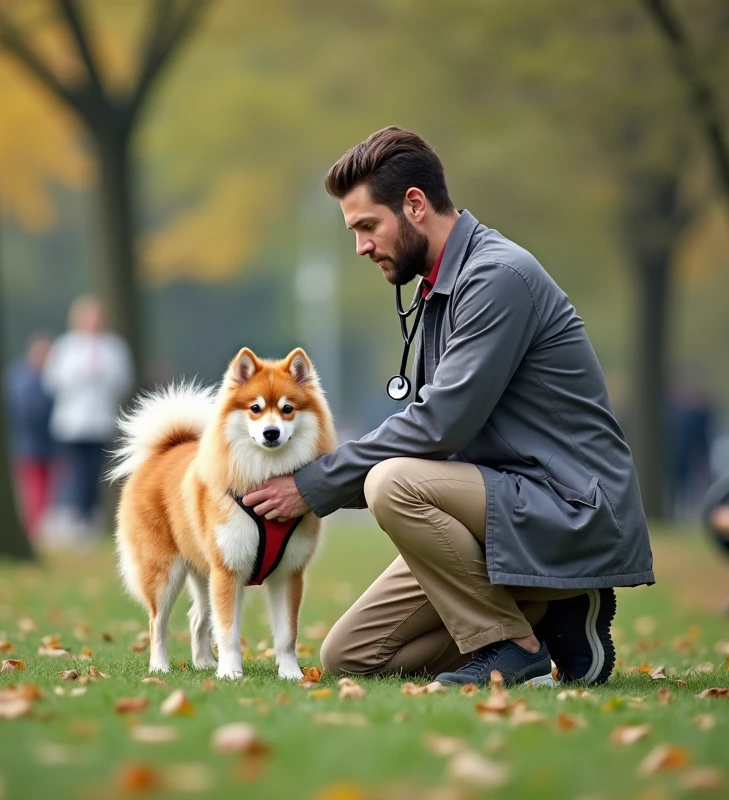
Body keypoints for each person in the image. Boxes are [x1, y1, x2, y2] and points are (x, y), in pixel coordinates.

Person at [243, 127, 654, 687]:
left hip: (569, 505)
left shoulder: (497, 277)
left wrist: (315, 484)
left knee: (392, 483)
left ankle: (513, 644)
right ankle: (551, 607)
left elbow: (441, 424)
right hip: (501, 506)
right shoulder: (439, 285)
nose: (361, 246)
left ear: (415, 205)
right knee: (352, 657)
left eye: (368, 226)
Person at [43, 296, 134, 533]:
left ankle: (91, 515)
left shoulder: (114, 346)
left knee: (95, 470)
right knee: (76, 471)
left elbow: (123, 381)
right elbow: (52, 380)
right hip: (72, 421)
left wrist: (101, 375)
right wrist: (81, 374)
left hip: (100, 420)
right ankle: (78, 516)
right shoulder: (66, 346)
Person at [4, 332, 56, 539]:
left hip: (47, 443)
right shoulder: (20, 378)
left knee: (45, 486)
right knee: (32, 486)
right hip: (27, 442)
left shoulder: (51, 375)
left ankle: (36, 525)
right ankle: (31, 527)